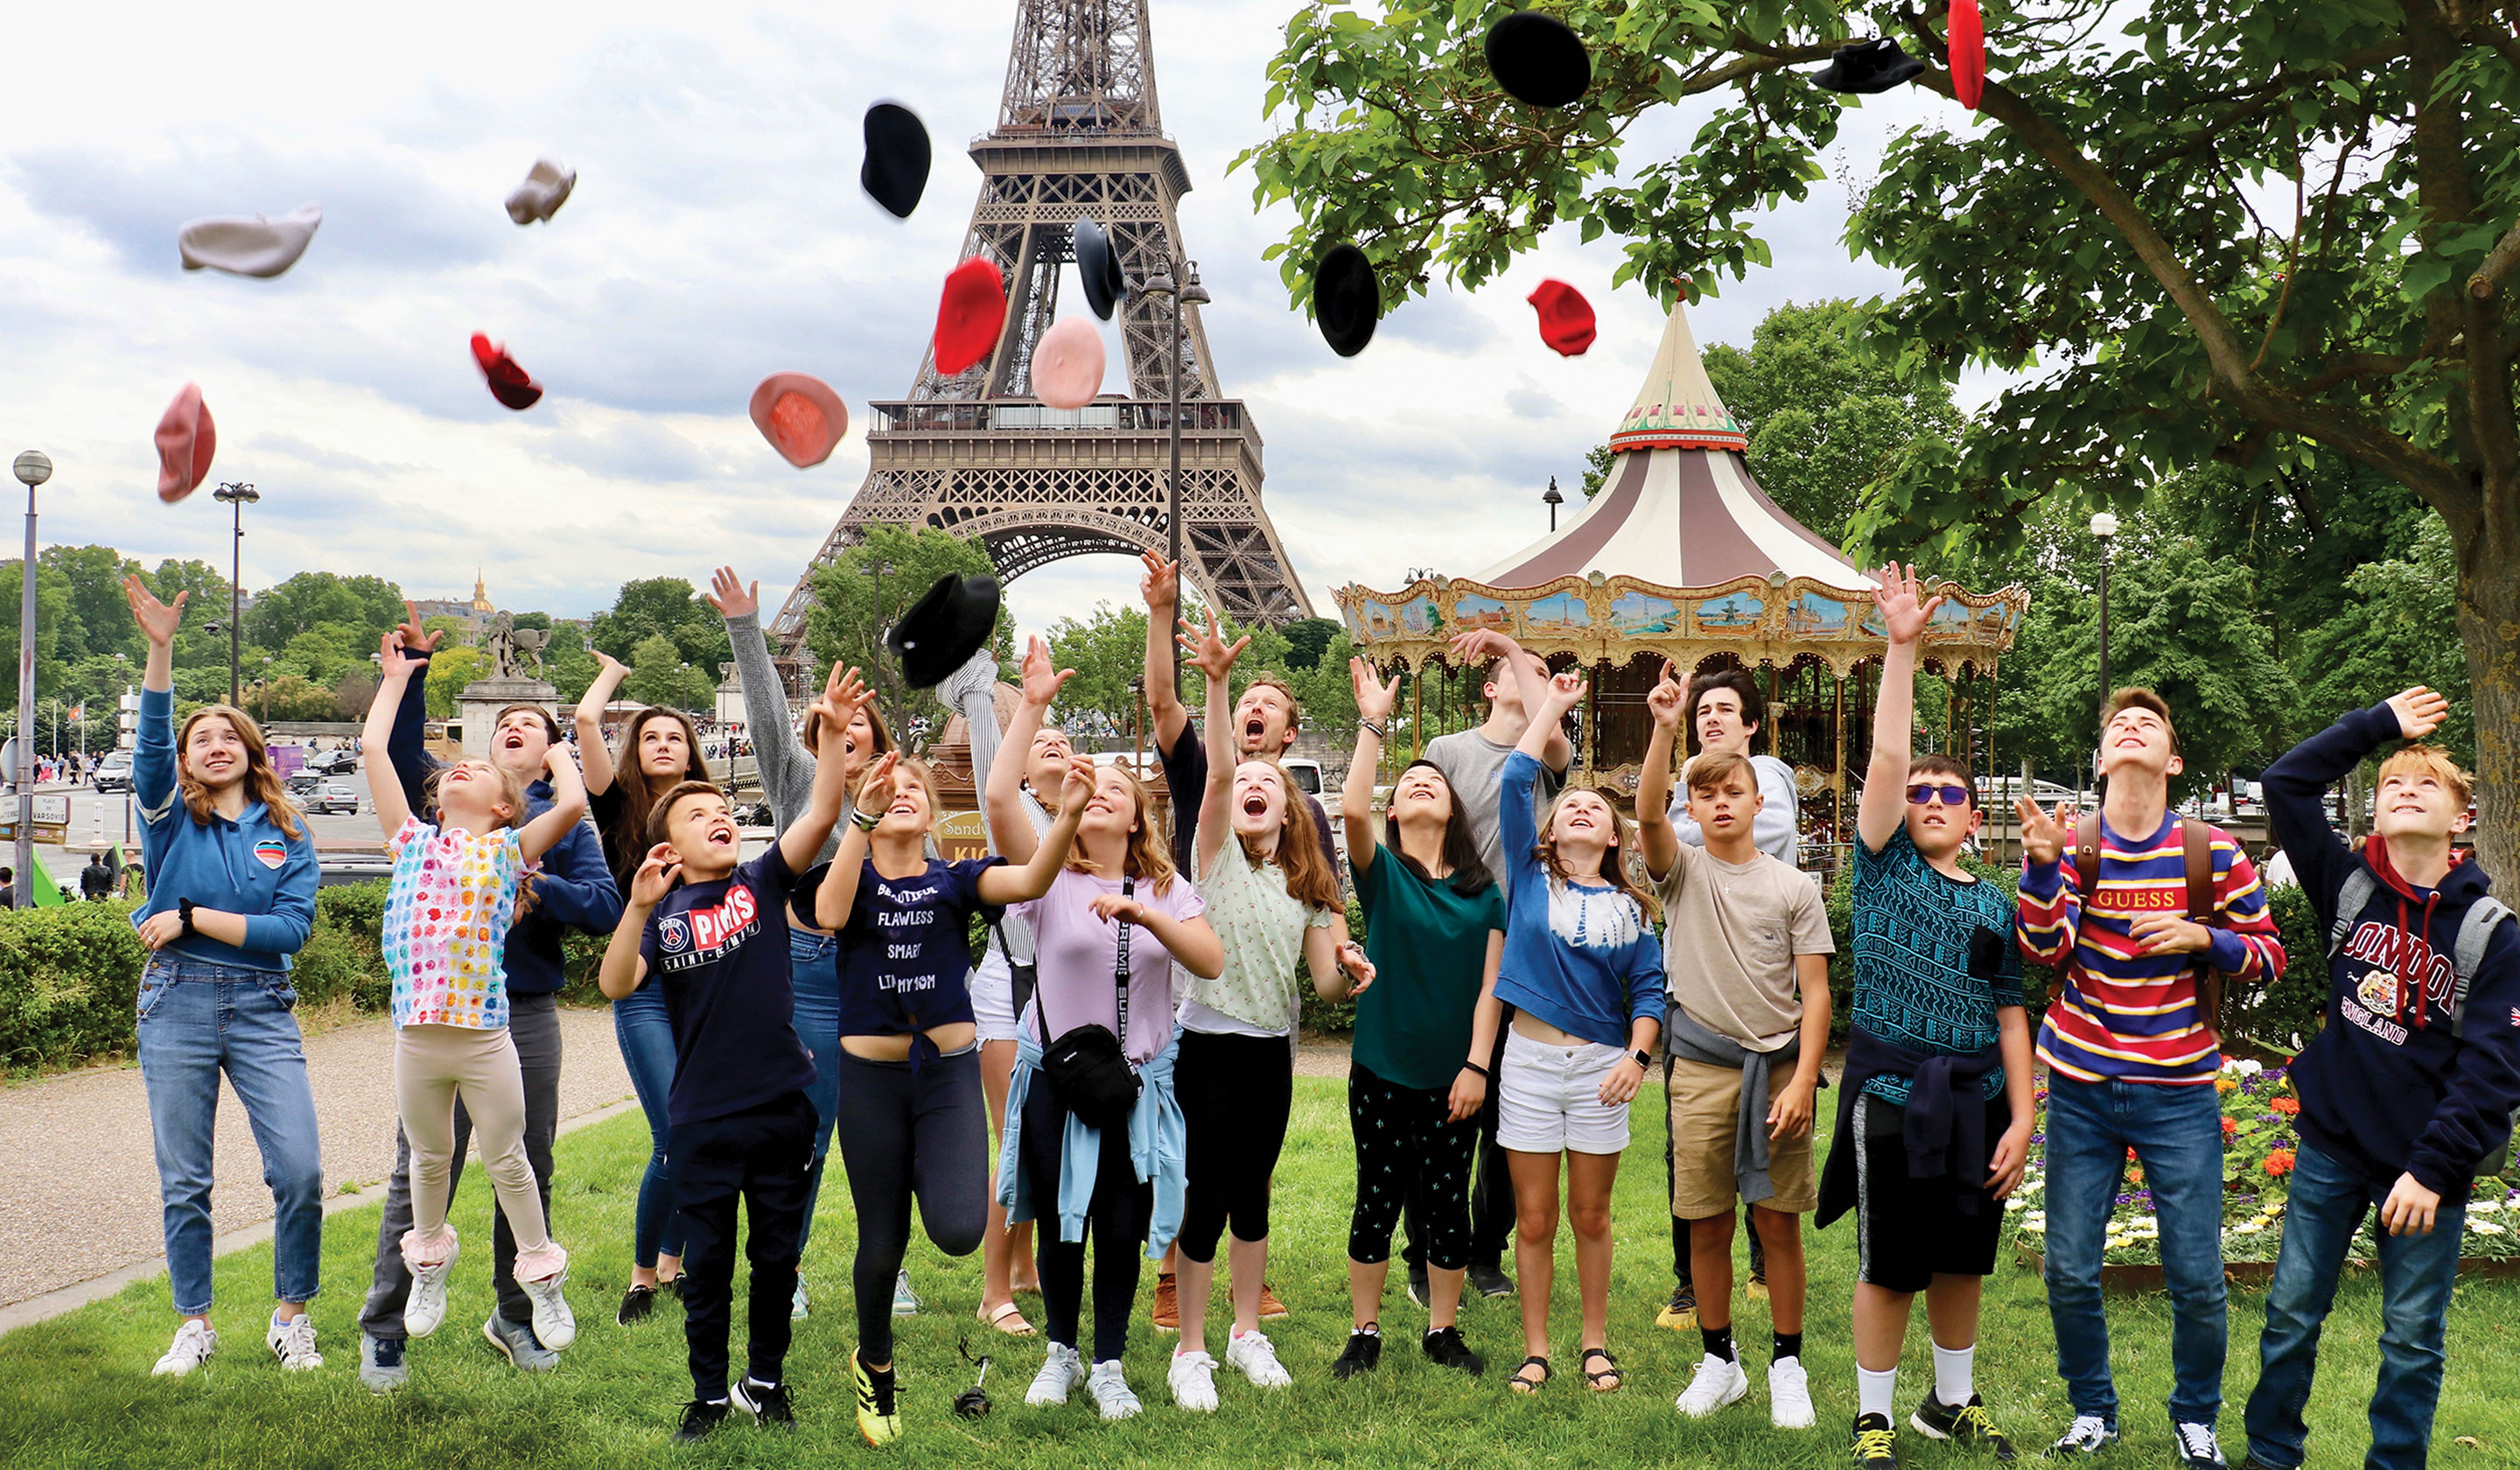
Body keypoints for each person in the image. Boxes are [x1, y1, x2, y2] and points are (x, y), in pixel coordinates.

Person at [2242, 687, 2520, 1470]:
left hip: (2426, 1171)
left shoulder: (2490, 935)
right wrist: (2380, 727)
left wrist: (2431, 1171)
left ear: (2461, 819)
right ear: (2376, 811)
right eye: (2393, 781)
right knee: (2293, 1314)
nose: (2405, 787)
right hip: (2333, 1147)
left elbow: (2494, 1071)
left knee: (2410, 1340)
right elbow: (2285, 784)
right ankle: (2270, 1455)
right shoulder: (2347, 884)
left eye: (2427, 783)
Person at [2016, 688, 2286, 1466]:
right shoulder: (2074, 846)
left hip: (2179, 1094)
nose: (2130, 729)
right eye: (2116, 726)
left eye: (2148, 725)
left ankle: (2195, 1416)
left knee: (2199, 1277)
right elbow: (2042, 951)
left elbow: (2268, 952)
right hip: (2082, 1087)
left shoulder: (2214, 853)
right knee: (2069, 1268)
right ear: (2101, 760)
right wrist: (2039, 871)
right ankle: (2093, 1409)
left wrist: (2201, 936)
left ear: (2172, 760)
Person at [356, 608, 623, 1389]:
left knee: (520, 1162)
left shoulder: (523, 840)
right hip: (423, 1028)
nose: (506, 729)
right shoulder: (415, 838)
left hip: (509, 1016)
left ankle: (522, 1305)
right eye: (499, 721)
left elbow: (598, 888)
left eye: (525, 723)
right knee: (422, 1166)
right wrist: (401, 677)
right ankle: (391, 1320)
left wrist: (571, 750)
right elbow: (380, 748)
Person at [596, 662, 858, 1440]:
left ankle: (764, 1381)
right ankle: (709, 1393)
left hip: (782, 1105)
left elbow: (819, 812)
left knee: (775, 1261)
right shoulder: (664, 914)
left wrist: (836, 734)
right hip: (703, 1116)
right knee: (708, 1268)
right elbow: (618, 984)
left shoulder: (760, 882)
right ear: (666, 841)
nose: (718, 816)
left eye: (721, 808)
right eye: (698, 813)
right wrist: (638, 906)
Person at [808, 743, 1094, 1445]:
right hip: (872, 1081)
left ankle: (924, 1170)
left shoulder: (957, 880)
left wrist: (1069, 817)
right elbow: (831, 914)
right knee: (882, 1239)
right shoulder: (852, 872)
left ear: (934, 812)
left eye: (913, 788)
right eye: (886, 787)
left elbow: (1030, 883)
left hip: (946, 1074)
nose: (900, 792)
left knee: (961, 1228)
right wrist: (860, 820)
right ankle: (875, 1368)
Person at [1820, 565, 2033, 1467]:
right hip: (1896, 1092)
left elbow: (2012, 1010)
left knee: (1961, 1257)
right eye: (1921, 795)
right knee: (1892, 1263)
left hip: (1979, 1097)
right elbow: (1893, 761)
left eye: (1951, 796)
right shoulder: (1881, 868)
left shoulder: (1996, 903)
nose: (1932, 801)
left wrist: (2023, 1115)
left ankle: (1951, 1403)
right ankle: (1873, 1417)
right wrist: (1900, 651)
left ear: (1976, 820)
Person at [1163, 612, 1374, 1411]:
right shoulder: (1210, 854)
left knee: (1252, 1191)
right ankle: (1190, 1348)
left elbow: (1319, 985)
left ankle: (1246, 1334)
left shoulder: (1307, 883)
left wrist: (1350, 970)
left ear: (1289, 813)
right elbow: (1217, 774)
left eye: (1267, 788)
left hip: (1267, 1052)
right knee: (1204, 1196)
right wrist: (1216, 682)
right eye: (1245, 784)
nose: (1252, 789)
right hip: (1204, 1045)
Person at [122, 575, 324, 1376]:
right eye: (198, 739)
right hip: (174, 1000)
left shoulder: (288, 832)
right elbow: (147, 746)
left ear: (249, 751)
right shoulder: (169, 815)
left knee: (302, 1171)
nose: (213, 746)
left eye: (227, 737)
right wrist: (160, 650)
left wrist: (196, 916)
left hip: (262, 1004)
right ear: (186, 760)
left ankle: (290, 1317)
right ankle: (195, 1324)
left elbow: (291, 932)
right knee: (186, 1179)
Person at [1137, 552, 1333, 1328]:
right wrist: (1171, 627)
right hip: (1196, 981)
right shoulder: (1213, 780)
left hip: (1267, 1014)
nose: (1255, 709)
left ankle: (1248, 1286)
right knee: (1190, 1155)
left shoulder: (1303, 824)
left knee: (1249, 1156)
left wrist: (1345, 959)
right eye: (1245, 701)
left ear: (1287, 733)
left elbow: (1322, 913)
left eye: (1268, 704)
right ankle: (1172, 1273)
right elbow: (1167, 708)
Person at [704, 567, 906, 1321]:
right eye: (836, 726)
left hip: (874, 974)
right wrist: (746, 629)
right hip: (801, 968)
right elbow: (763, 718)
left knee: (882, 1129)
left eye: (862, 729)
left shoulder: (896, 803)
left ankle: (885, 1261)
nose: (848, 735)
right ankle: (781, 1268)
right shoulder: (798, 784)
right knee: (805, 1130)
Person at [1637, 682, 1832, 1428]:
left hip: (1778, 1072)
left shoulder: (1794, 887)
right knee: (1709, 1221)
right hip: (1701, 1072)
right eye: (1706, 793)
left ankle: (1788, 1363)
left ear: (1760, 804)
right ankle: (1720, 1359)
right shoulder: (1681, 872)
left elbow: (1815, 994)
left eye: (1733, 791)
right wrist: (1664, 731)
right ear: (1694, 808)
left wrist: (1806, 1079)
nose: (1720, 802)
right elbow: (1649, 813)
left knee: (1777, 1222)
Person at [1004, 761, 1224, 1421]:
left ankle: (1109, 1364)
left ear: (1137, 818)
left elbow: (1210, 961)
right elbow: (995, 800)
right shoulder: (1047, 877)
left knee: (1120, 1225)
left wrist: (1143, 915)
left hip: (1135, 1089)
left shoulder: (1168, 887)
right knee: (1060, 1223)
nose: (1100, 795)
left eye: (1116, 791)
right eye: (1089, 789)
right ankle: (1061, 1353)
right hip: (1057, 1082)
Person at [1487, 671, 1664, 1396]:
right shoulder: (1529, 880)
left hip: (1601, 1068)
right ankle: (1536, 1349)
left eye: (1598, 808)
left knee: (1591, 1215)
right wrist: (1552, 706)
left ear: (1615, 833)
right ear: (1551, 829)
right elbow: (1515, 780)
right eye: (1571, 806)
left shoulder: (1634, 907)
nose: (1583, 810)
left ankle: (1594, 1344)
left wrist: (1638, 1057)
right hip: (1527, 1062)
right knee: (1534, 1218)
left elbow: (1650, 994)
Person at [1332, 658, 1503, 1382]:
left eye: (1433, 779)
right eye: (1407, 785)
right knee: (1377, 1195)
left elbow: (1492, 991)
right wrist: (1376, 722)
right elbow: (1351, 812)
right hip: (1381, 1068)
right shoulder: (1385, 874)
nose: (1421, 781)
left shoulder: (1483, 892)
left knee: (1446, 1206)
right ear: (1395, 812)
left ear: (1454, 810)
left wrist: (1476, 1068)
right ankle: (1364, 1332)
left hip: (1453, 1079)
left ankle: (1442, 1330)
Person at [1415, 626, 1573, 1307]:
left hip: (1529, 953)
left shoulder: (1548, 757)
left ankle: (1486, 1251)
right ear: (1488, 687)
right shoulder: (1446, 752)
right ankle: (1425, 1252)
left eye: (1539, 671)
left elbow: (1551, 725)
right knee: (1442, 1107)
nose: (1530, 674)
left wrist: (1512, 647)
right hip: (1456, 943)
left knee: (1515, 1115)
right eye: (1517, 669)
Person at [577, 647, 719, 1316]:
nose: (664, 745)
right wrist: (614, 678)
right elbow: (583, 721)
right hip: (642, 982)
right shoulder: (617, 804)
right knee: (676, 1133)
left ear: (693, 755)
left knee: (706, 1128)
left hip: (704, 980)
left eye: (677, 737)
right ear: (635, 751)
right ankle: (642, 1272)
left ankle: (673, 1261)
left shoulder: (710, 812)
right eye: (652, 737)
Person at [1655, 662, 1796, 1329]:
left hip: (1764, 996)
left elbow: (1747, 837)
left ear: (1750, 725)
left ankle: (1766, 1265)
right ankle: (1690, 1283)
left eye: (1724, 711)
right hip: (1695, 1001)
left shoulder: (1769, 774)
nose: (1710, 719)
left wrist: (1685, 819)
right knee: (1689, 1155)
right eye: (1701, 710)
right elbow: (1657, 838)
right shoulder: (1685, 782)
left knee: (1767, 1151)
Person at [962, 639, 1073, 1335]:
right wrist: (1021, 705)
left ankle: (1027, 1267)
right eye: (1044, 746)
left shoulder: (1087, 821)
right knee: (1014, 1135)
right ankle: (993, 1288)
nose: (1057, 749)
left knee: (1043, 1134)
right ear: (1026, 772)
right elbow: (991, 776)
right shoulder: (1019, 815)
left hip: (1064, 991)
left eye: (1067, 742)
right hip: (1008, 984)